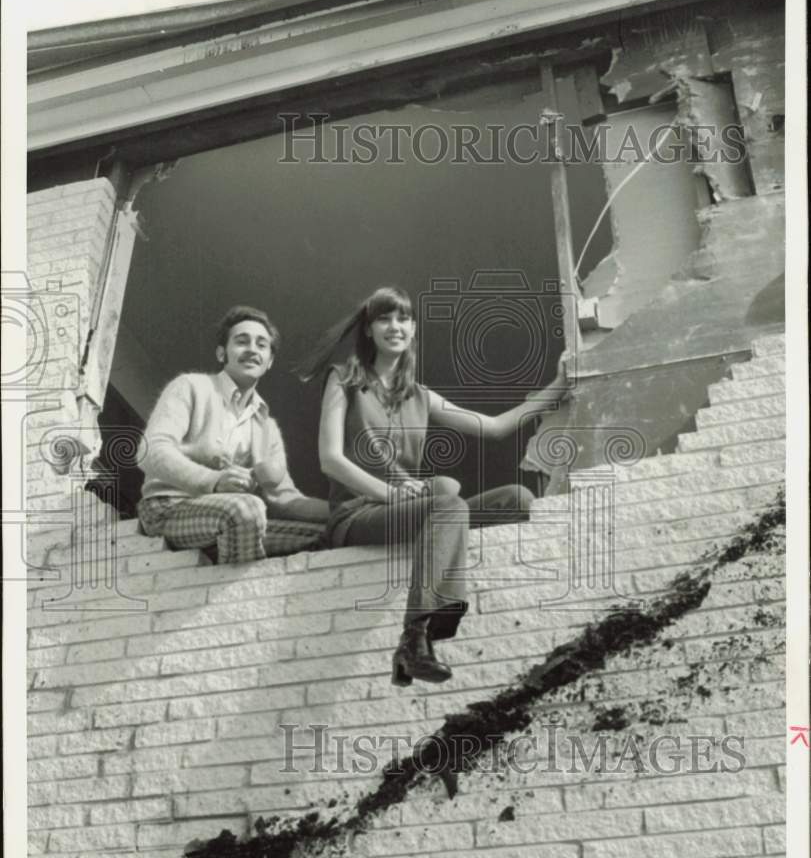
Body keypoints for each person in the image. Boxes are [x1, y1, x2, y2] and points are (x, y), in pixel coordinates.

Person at [298, 286, 571, 687]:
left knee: (517, 499)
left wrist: (559, 386)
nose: (395, 326)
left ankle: (420, 636)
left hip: (407, 508)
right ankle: (415, 637)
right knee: (448, 504)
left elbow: (492, 427)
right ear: (369, 330)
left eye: (404, 318)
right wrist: (391, 492)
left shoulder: (420, 396)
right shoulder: (344, 379)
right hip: (357, 513)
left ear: (413, 330)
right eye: (384, 318)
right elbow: (331, 460)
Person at [137, 305, 328, 563]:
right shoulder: (191, 386)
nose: (252, 349)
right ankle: (237, 598)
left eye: (262, 345)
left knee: (329, 534)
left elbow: (284, 498)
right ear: (221, 353)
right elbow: (152, 451)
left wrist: (345, 509)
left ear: (270, 361)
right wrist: (215, 481)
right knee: (245, 508)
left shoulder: (267, 426)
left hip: (237, 522)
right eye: (241, 341)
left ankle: (223, 566)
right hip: (169, 508)